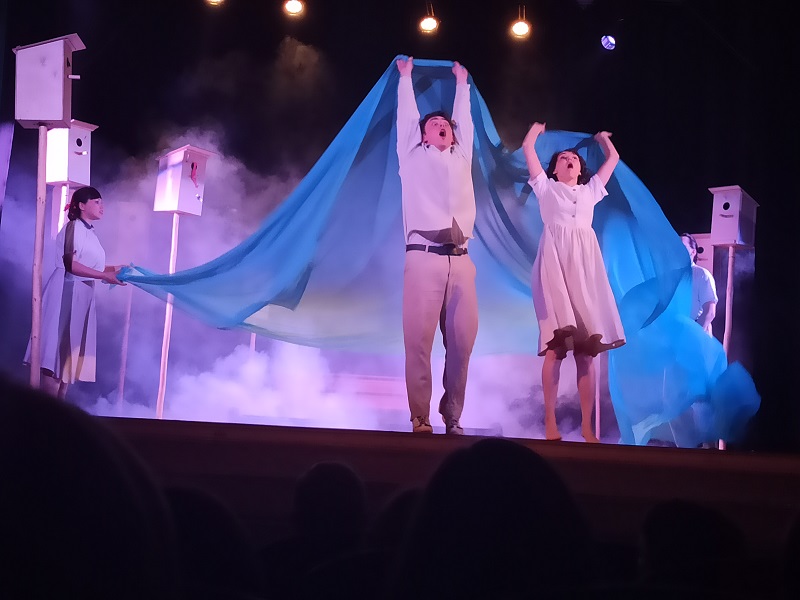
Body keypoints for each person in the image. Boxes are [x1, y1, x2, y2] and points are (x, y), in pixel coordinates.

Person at [522, 123, 626, 443]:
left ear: (580, 169)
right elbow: (528, 150)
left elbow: (613, 160)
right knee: (556, 347)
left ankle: (586, 427)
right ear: (554, 169)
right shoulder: (546, 188)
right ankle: (550, 422)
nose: (569, 161)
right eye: (563, 159)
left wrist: (604, 141)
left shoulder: (590, 191)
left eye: (574, 159)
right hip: (554, 267)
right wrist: (535, 132)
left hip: (584, 270)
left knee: (585, 352)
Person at [395, 57, 478, 435]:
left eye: (446, 124)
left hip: (461, 260)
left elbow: (465, 121)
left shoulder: (462, 156)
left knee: (462, 343)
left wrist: (462, 83)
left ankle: (453, 415)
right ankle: (420, 416)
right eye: (433, 124)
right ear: (423, 135)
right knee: (419, 342)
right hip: (424, 257)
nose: (442, 125)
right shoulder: (412, 156)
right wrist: (406, 78)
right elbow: (406, 119)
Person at [25, 186, 124, 399]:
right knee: (57, 357)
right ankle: (47, 411)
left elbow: (93, 267)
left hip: (83, 293)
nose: (102, 206)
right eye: (96, 202)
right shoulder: (73, 227)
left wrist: (117, 269)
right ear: (81, 205)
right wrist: (105, 275)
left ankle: (58, 412)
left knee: (68, 361)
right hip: (67, 289)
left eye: (102, 202)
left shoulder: (91, 234)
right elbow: (71, 264)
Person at [680, 233, 718, 336]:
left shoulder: (701, 274)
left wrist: (694, 334)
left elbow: (710, 312)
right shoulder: (670, 276)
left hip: (694, 334)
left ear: (693, 252)